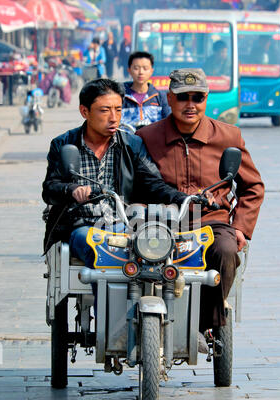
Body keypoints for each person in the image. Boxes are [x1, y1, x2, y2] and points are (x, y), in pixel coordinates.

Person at [42, 78, 189, 330]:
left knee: (165, 245)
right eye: (104, 110)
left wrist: (181, 198)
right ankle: (112, 326)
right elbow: (50, 189)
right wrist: (72, 189)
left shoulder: (131, 144)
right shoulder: (63, 144)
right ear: (84, 111)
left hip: (124, 224)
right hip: (80, 226)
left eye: (118, 110)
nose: (114, 117)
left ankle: (168, 324)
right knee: (99, 246)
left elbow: (153, 182)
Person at [137, 68, 265, 340]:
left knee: (226, 250)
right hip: (161, 224)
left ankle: (209, 323)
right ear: (169, 99)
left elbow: (252, 186)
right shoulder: (147, 137)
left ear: (206, 99)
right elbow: (137, 185)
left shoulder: (229, 137)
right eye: (183, 97)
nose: (191, 105)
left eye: (198, 97)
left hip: (211, 222)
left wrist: (240, 227)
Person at [121, 51, 171, 130]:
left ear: (151, 70)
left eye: (145, 68)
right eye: (136, 68)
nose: (141, 72)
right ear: (129, 70)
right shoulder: (120, 96)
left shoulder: (160, 97)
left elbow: (169, 124)